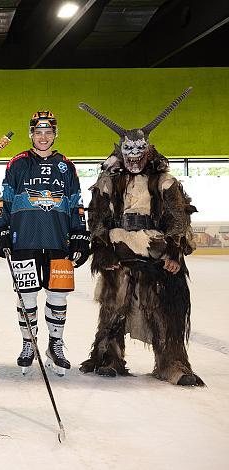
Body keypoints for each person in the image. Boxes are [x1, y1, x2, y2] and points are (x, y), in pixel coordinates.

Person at [78, 88, 204, 386]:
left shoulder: (165, 181)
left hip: (155, 251)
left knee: (163, 309)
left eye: (139, 152)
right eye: (128, 152)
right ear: (121, 153)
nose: (134, 158)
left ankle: (171, 362)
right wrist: (103, 250)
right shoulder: (108, 182)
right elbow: (96, 219)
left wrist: (174, 253)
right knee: (114, 305)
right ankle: (108, 356)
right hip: (119, 247)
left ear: (148, 151)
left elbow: (178, 218)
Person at [0, 111, 90, 376]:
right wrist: (0, 226)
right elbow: (5, 198)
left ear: (55, 134)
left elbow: (76, 201)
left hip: (60, 241)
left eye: (48, 132)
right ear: (31, 135)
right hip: (24, 239)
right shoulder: (17, 163)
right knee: (26, 296)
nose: (43, 137)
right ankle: (28, 344)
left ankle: (55, 345)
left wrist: (80, 234)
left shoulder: (66, 166)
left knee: (58, 295)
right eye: (38, 132)